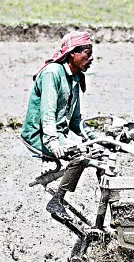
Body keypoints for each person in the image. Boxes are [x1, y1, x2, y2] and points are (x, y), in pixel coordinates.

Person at [21, 30, 98, 222]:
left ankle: (105, 210)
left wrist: (96, 138)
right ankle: (57, 201)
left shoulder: (76, 76)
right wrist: (54, 144)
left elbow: (76, 121)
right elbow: (47, 115)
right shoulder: (52, 73)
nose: (91, 58)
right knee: (81, 155)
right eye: (87, 53)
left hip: (60, 132)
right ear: (73, 53)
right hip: (40, 134)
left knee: (99, 153)